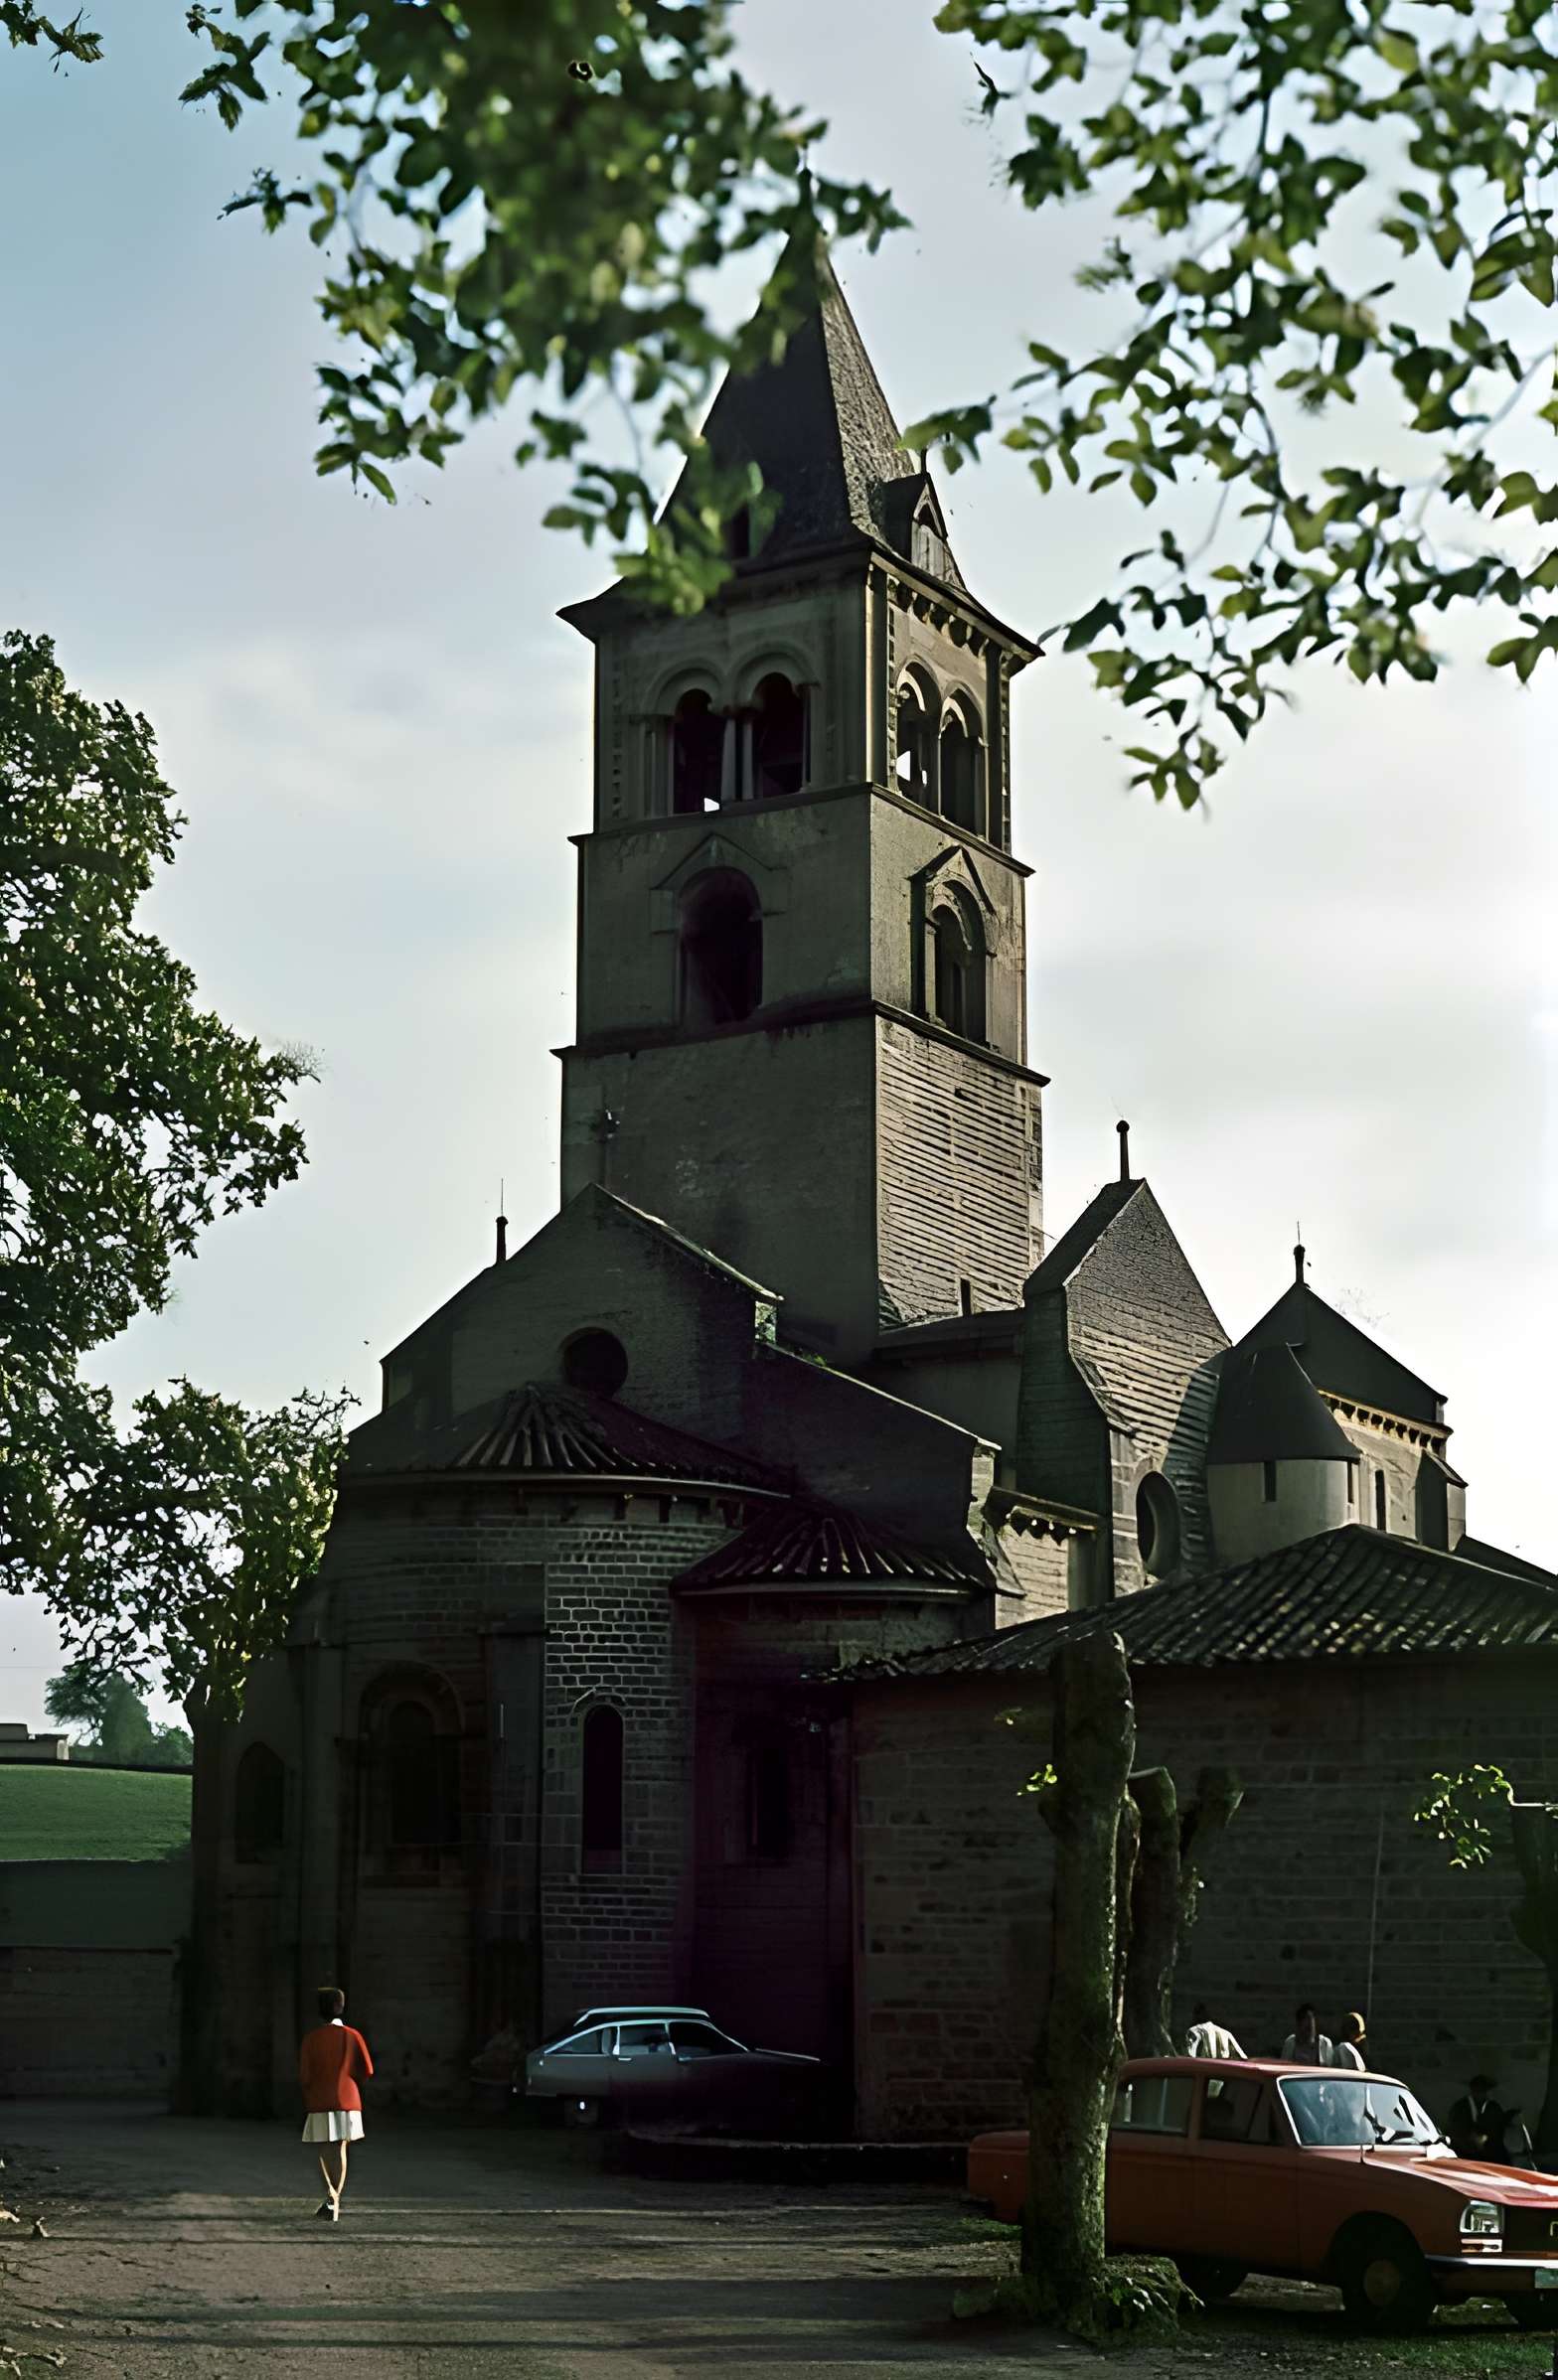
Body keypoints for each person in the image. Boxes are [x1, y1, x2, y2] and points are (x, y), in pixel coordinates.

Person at [299, 1985, 374, 2221]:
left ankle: (331, 2195)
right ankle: (334, 2198)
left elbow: (304, 2076)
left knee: (324, 2148)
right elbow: (368, 2070)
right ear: (341, 2007)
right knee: (341, 2148)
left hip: (319, 2097)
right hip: (348, 2098)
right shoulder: (353, 2035)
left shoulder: (311, 2039)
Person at [1448, 2073, 1511, 2162]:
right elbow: (1457, 2133)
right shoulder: (1461, 2108)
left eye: (1485, 2091)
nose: (1485, 2094)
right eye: (1481, 2090)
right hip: (1465, 2155)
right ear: (1473, 2090)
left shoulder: (1490, 2107)